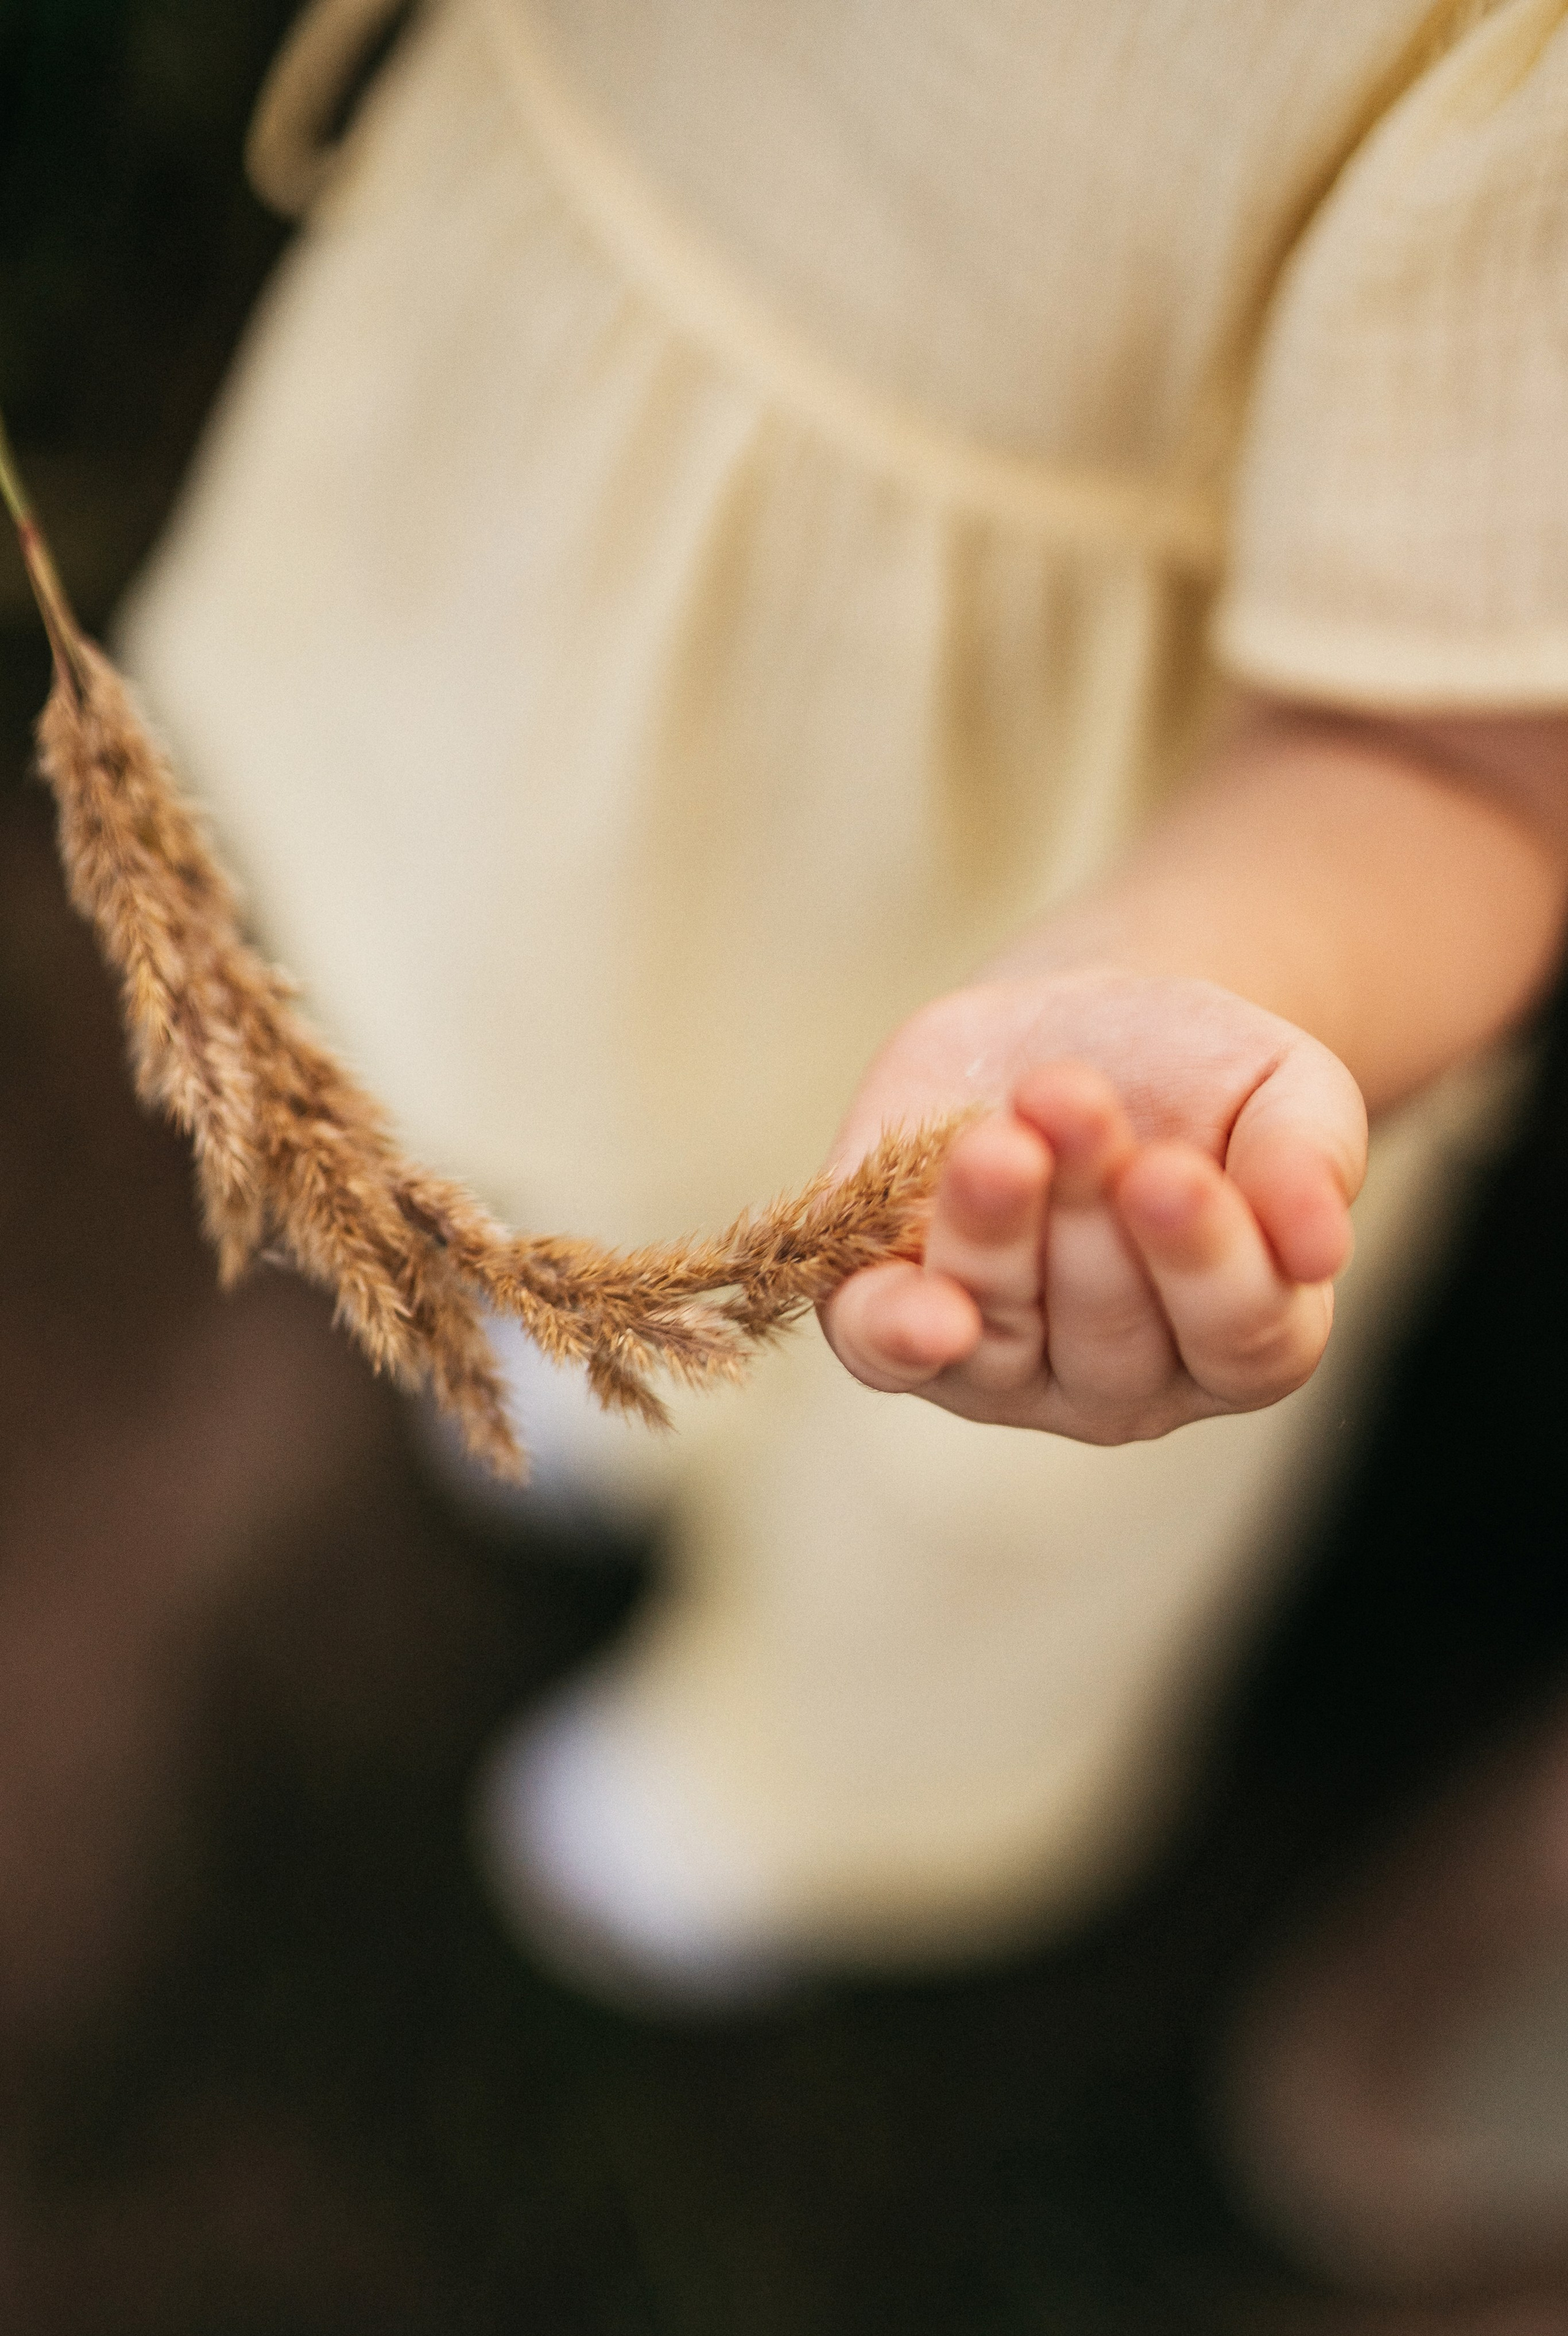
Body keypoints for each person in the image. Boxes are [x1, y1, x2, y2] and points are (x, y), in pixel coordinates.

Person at [119, 0, 1568, 2014]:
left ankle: (799, 1782)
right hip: (544, 599)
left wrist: (1214, 988)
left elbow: (1470, 755)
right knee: (501, 1046)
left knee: (963, 1446)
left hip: (1094, 870)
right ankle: (588, 1351)